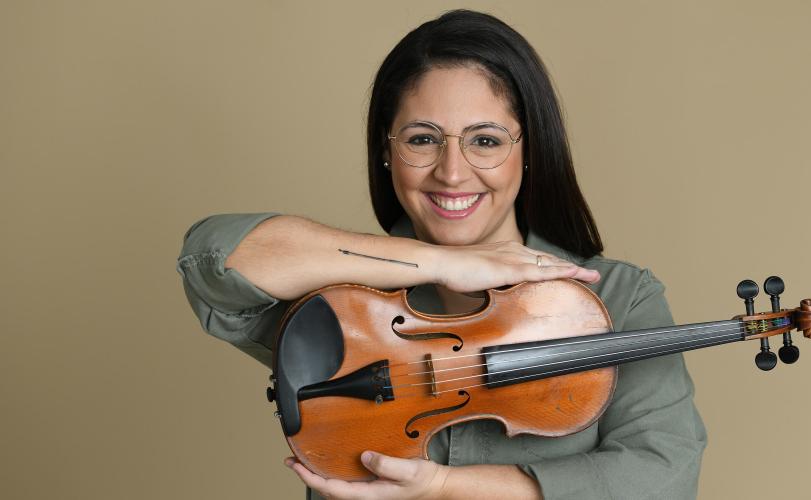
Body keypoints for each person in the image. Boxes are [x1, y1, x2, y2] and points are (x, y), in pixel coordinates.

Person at [177, 9, 706, 500]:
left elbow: (665, 474)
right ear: (386, 151)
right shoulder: (348, 302)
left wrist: (446, 485)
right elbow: (215, 259)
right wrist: (440, 262)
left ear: (530, 149)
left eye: (486, 140)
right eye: (423, 139)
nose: (452, 172)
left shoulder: (615, 298)